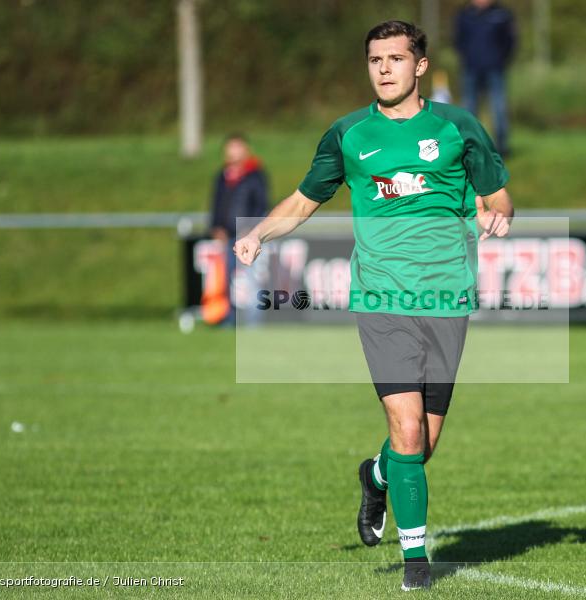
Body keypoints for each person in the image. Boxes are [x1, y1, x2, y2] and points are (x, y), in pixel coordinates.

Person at [233, 20, 513, 591]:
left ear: (420, 67)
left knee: (421, 447)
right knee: (407, 430)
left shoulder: (459, 128)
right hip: (381, 299)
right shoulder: (348, 134)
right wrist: (259, 233)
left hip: (446, 298)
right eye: (375, 59)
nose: (384, 68)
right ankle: (417, 563)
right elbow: (304, 199)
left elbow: (498, 194)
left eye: (395, 58)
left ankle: (376, 475)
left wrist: (496, 214)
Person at [208, 133, 269, 325]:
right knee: (227, 279)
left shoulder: (255, 175)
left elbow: (261, 204)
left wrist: (251, 230)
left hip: (247, 235)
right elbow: (216, 203)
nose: (233, 153)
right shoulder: (222, 176)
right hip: (227, 235)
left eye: (237, 148)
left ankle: (254, 320)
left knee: (250, 278)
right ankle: (229, 318)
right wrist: (216, 226)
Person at [454, 0, 517, 156]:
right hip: (471, 69)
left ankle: (502, 148)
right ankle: (469, 146)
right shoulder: (464, 14)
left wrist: (500, 60)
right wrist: (467, 58)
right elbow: (458, 41)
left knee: (498, 108)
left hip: (495, 69)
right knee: (469, 109)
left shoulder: (502, 14)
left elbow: (510, 41)